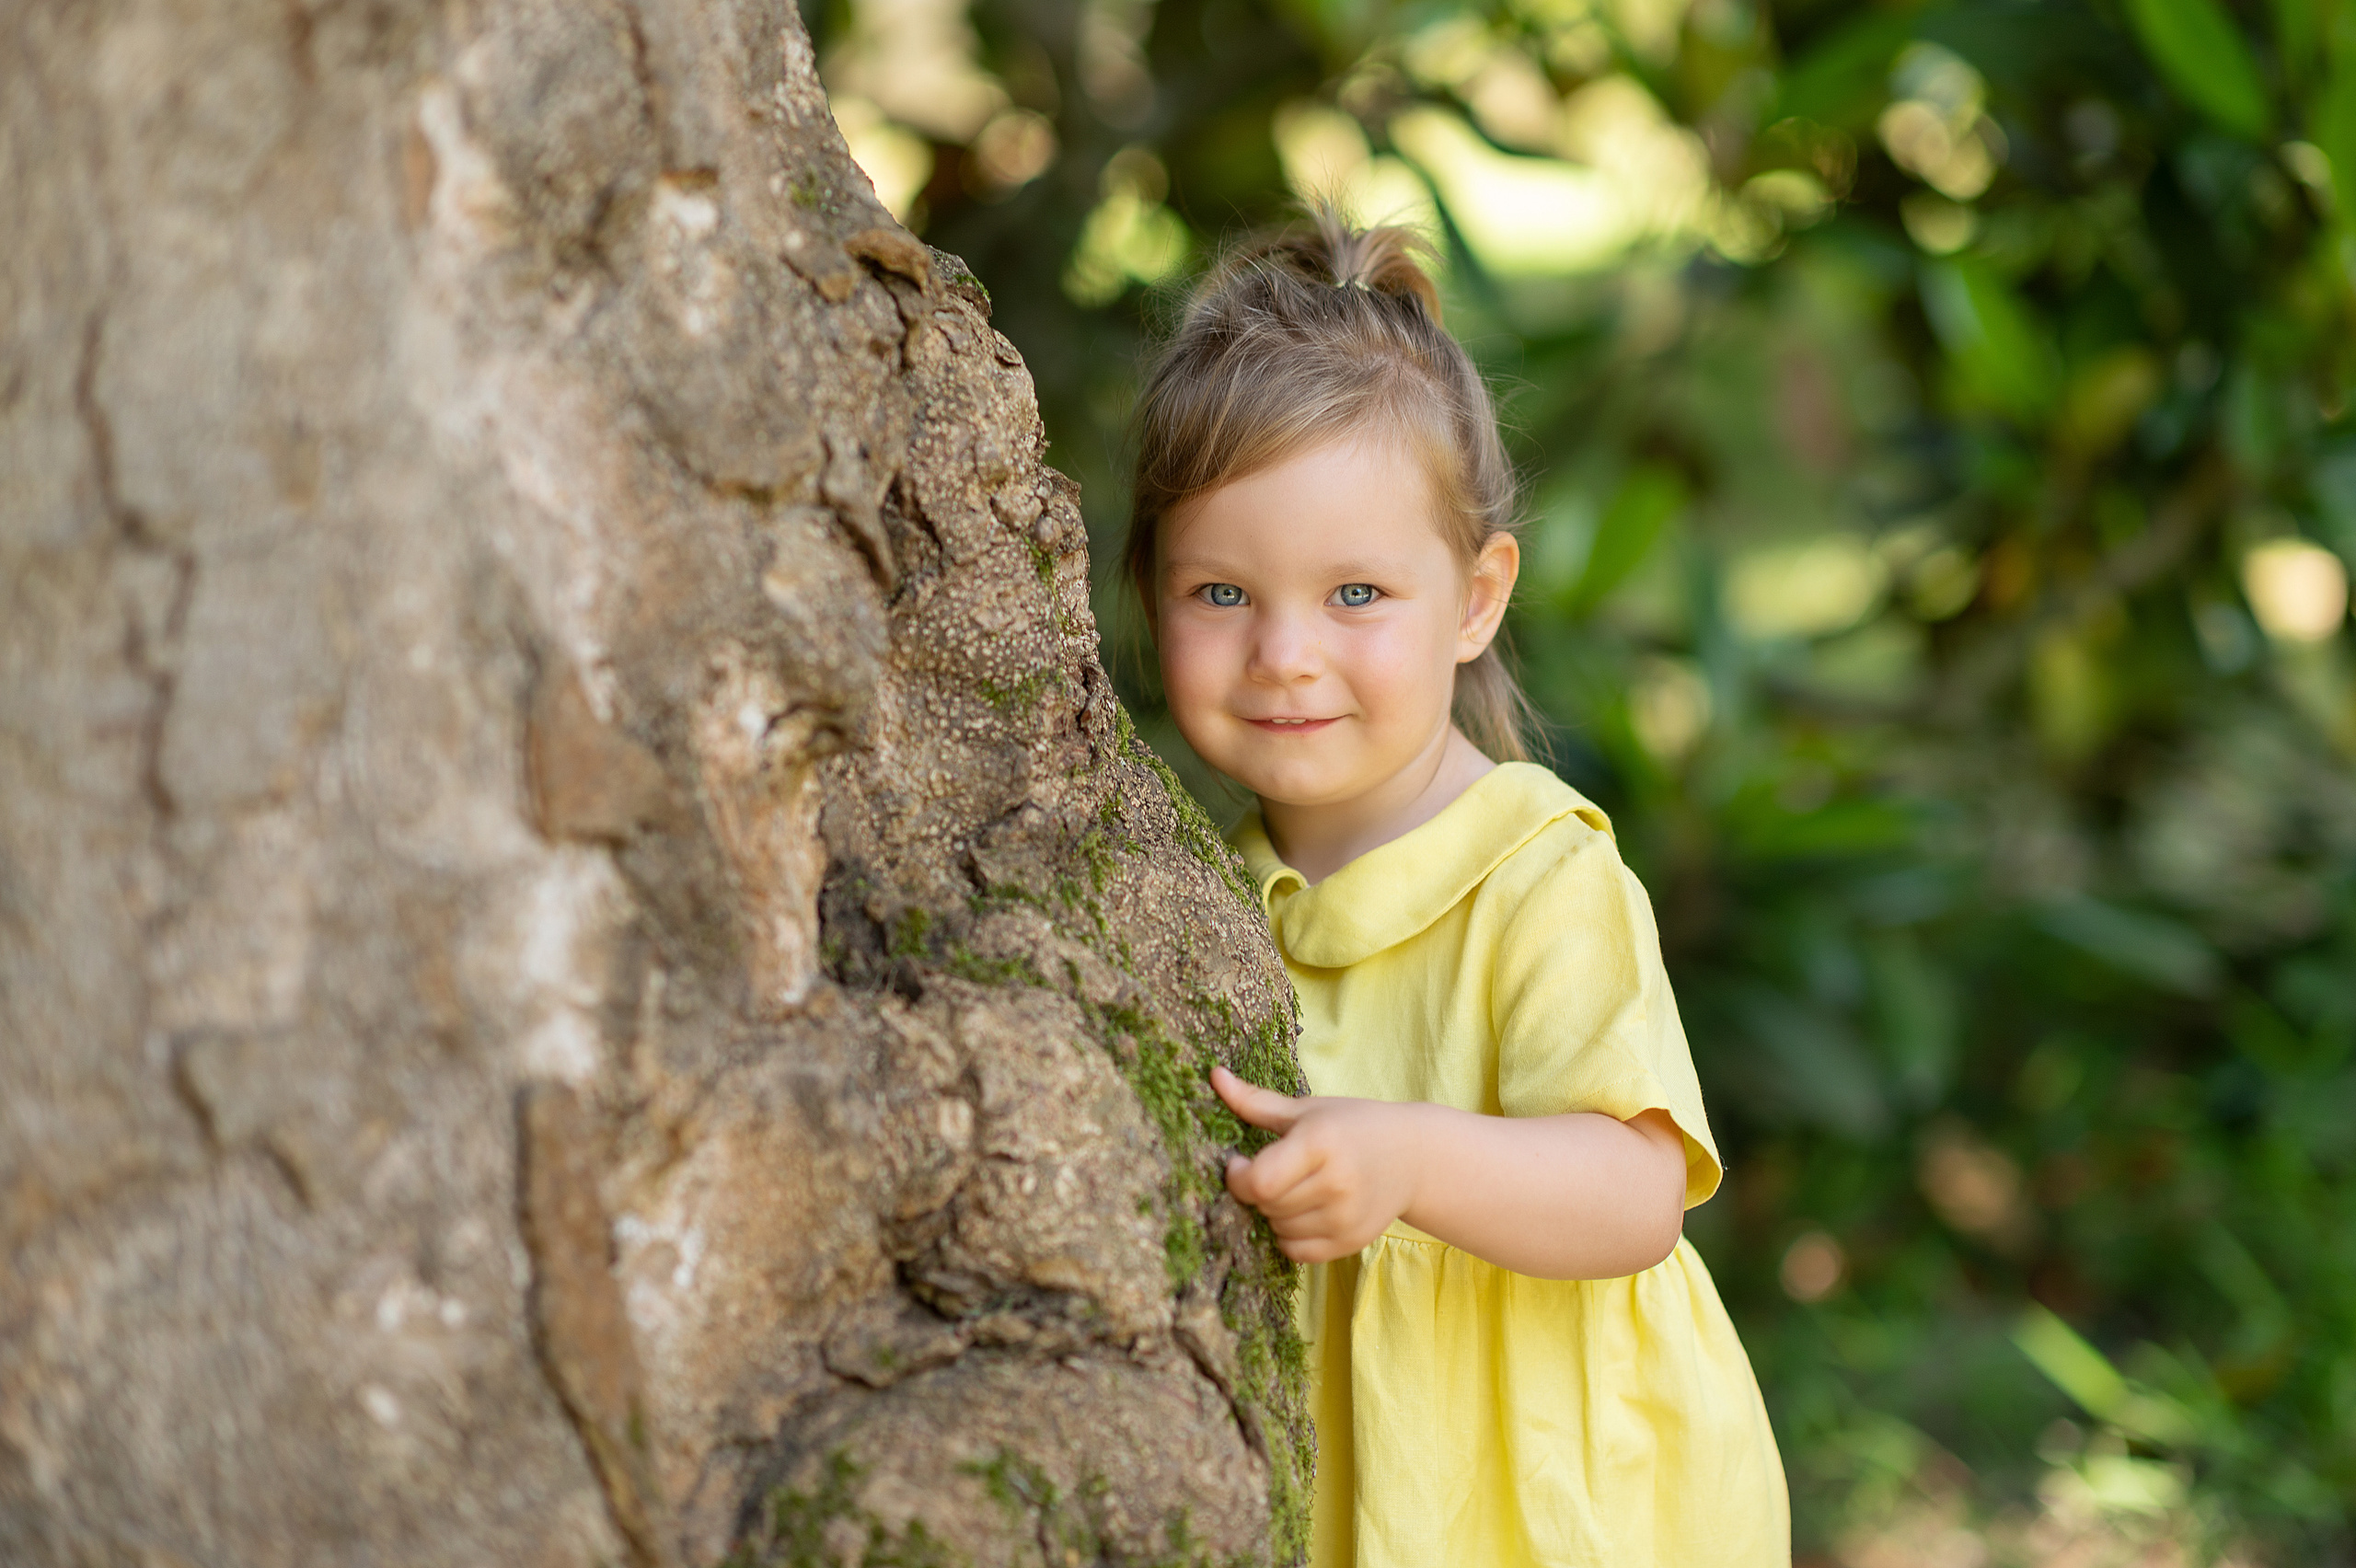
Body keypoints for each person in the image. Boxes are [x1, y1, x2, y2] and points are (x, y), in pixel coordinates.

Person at [1124, 212, 1790, 1568]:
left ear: (1478, 598)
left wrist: (1410, 1157)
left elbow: (1636, 1196)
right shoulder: (1184, 896)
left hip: (1556, 1505)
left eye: (1357, 591)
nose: (1288, 654)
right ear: (1148, 598)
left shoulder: (1540, 875)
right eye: (1223, 592)